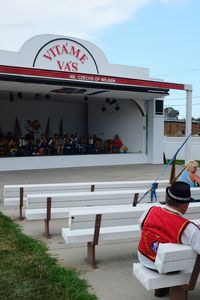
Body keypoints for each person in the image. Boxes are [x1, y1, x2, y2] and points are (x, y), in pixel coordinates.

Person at [137, 181, 200, 270]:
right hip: (167, 268)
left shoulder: (150, 210)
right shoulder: (188, 228)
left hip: (144, 258)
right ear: (184, 206)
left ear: (167, 198)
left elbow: (141, 226)